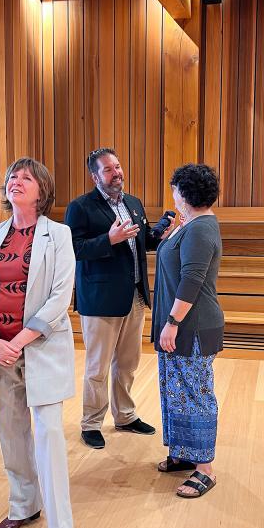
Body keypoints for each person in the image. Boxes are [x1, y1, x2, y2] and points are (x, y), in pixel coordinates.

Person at [0, 157, 80, 528]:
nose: (16, 181)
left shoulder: (59, 235)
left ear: (42, 190)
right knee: (11, 434)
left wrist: (21, 340)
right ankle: (24, 506)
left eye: (26, 177)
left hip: (41, 349)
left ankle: (61, 526)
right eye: (13, 176)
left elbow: (59, 298)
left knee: (49, 436)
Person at [65, 148, 173, 449]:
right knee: (97, 367)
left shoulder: (133, 203)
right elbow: (73, 249)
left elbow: (142, 242)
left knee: (127, 364)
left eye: (118, 166)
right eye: (109, 169)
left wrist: (158, 234)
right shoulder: (81, 208)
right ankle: (91, 422)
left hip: (134, 297)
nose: (117, 173)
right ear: (95, 176)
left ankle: (125, 415)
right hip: (100, 300)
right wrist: (108, 240)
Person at [151, 163, 223, 498]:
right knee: (175, 389)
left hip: (191, 327)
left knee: (195, 393)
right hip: (180, 326)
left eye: (176, 189)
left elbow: (192, 280)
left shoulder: (201, 228)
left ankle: (204, 468)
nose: (174, 195)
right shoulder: (189, 225)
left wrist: (173, 322)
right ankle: (183, 452)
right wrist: (168, 237)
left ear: (186, 193)